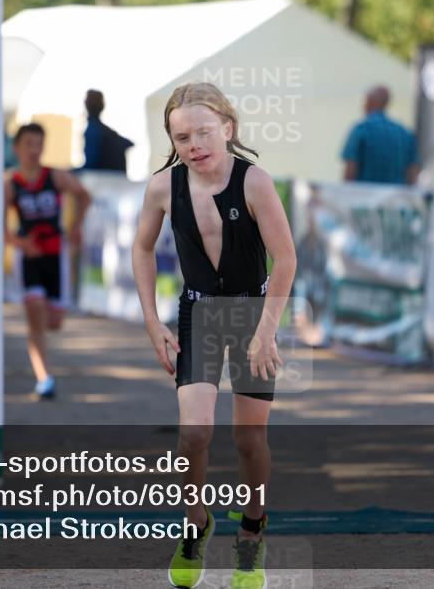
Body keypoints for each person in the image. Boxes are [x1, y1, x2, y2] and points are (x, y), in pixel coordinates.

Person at [132, 82, 296, 589]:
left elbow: (286, 258)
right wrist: (152, 322)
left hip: (252, 313)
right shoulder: (163, 187)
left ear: (228, 128)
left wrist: (267, 332)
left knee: (250, 439)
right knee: (194, 434)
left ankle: (252, 530)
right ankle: (195, 523)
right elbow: (141, 249)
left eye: (204, 132)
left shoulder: (255, 182)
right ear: (172, 141)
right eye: (182, 137)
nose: (195, 144)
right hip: (198, 313)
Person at [5, 123, 91, 399]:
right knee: (36, 315)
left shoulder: (55, 177)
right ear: (17, 148)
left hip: (56, 254)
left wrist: (76, 227)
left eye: (39, 143)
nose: (34, 150)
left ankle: (44, 368)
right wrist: (19, 243)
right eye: (28, 143)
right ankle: (45, 379)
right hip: (29, 257)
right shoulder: (11, 184)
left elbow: (84, 196)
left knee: (54, 321)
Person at [341, 85, 419, 184]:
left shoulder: (361, 130)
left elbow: (350, 171)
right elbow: (412, 173)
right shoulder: (404, 133)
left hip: (364, 196)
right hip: (397, 197)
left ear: (370, 101)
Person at [82, 89, 133, 173]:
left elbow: (91, 164)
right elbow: (128, 143)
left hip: (102, 180)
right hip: (117, 179)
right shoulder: (108, 133)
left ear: (86, 105)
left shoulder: (94, 130)